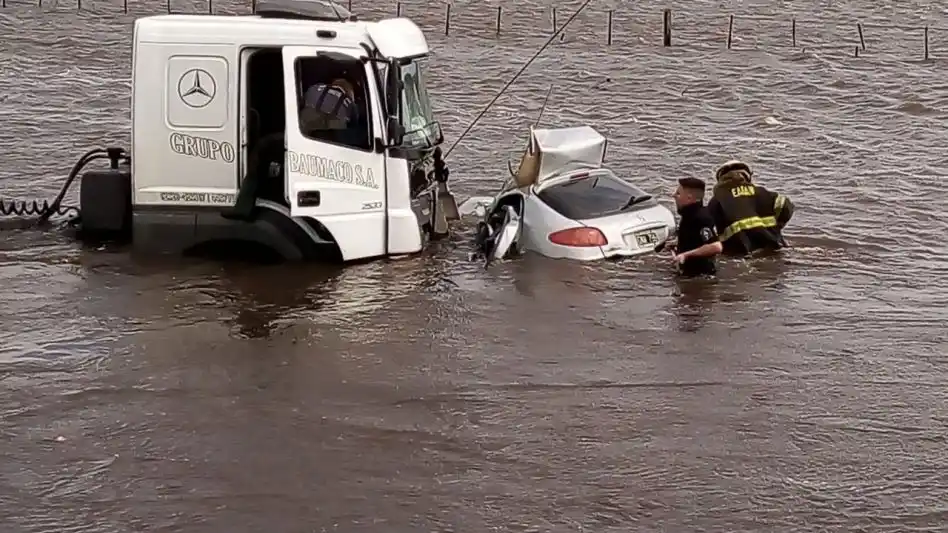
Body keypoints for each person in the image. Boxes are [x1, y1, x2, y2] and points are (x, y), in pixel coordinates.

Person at [706, 160, 795, 256]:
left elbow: (707, 226)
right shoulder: (761, 192)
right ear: (747, 175)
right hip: (772, 244)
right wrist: (778, 225)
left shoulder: (717, 199)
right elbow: (785, 205)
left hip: (740, 250)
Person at [668, 177, 722, 277]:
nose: (673, 195)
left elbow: (715, 246)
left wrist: (685, 255)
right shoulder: (688, 215)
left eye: (678, 193)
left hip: (701, 276)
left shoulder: (701, 217)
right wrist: (676, 244)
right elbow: (696, 239)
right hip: (687, 273)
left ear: (689, 198)